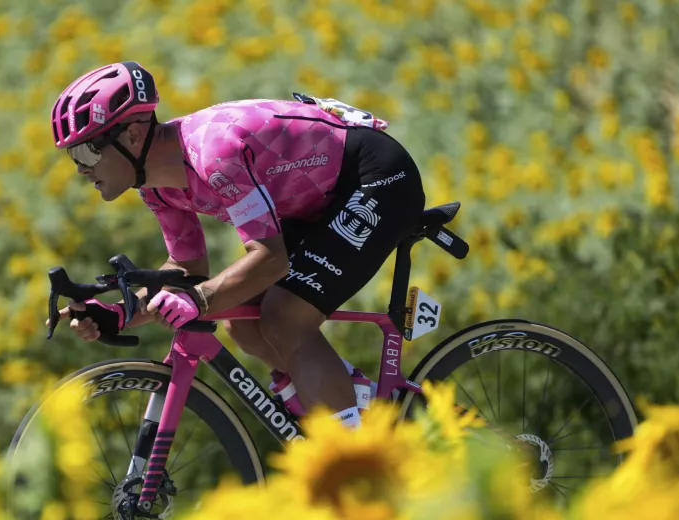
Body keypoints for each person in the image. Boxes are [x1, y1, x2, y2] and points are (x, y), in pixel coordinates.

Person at [46, 61, 425, 429]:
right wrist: (119, 313)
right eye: (73, 156)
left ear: (130, 135)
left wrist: (198, 299)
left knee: (285, 316)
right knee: (240, 318)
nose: (81, 168)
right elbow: (187, 270)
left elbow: (269, 260)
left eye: (87, 151)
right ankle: (350, 402)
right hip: (317, 199)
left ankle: (356, 460)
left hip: (375, 177)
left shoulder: (214, 155)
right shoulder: (156, 186)